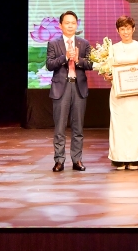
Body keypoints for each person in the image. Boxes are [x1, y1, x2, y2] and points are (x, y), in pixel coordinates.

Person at [46, 10, 93, 172]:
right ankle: (59, 160)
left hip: (78, 87)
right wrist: (65, 57)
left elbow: (91, 64)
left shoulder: (84, 43)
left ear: (77, 24)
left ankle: (77, 159)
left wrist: (78, 60)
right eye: (67, 23)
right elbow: (49, 65)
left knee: (78, 127)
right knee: (60, 127)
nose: (70, 26)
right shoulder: (54, 43)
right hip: (61, 87)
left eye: (73, 23)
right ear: (60, 25)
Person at [108, 16, 138, 170]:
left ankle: (134, 158)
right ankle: (119, 159)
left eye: (128, 28)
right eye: (122, 29)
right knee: (118, 124)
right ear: (117, 31)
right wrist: (107, 76)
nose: (125, 32)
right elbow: (108, 71)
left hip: (136, 93)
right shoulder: (112, 48)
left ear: (133, 29)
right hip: (118, 93)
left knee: (135, 124)